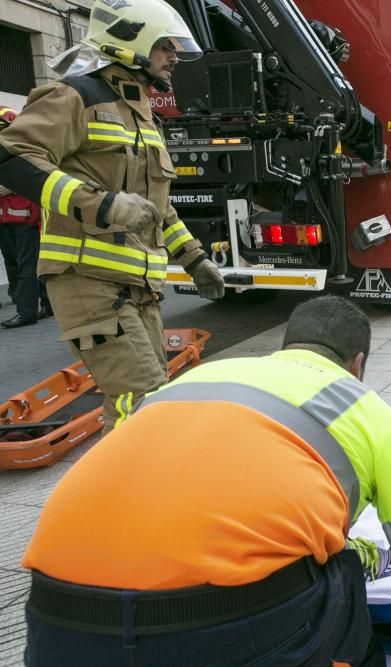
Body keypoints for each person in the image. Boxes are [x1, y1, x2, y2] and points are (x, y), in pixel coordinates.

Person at [20, 295, 391, 667]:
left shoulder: (186, 385)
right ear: (357, 363)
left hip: (57, 623)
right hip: (216, 634)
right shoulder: (366, 413)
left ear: (285, 347)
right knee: (339, 574)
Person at [0, 0, 225, 432]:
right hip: (88, 281)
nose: (174, 56)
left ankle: (131, 487)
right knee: (138, 401)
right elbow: (11, 157)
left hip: (137, 288)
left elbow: (155, 207)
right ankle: (127, 491)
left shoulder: (142, 116)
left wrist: (195, 260)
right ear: (130, 42)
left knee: (151, 395)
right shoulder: (76, 96)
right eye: (164, 45)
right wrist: (99, 204)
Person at [0, 107, 46, 329]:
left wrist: (8, 186)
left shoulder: (24, 149)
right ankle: (44, 305)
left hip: (26, 218)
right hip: (6, 218)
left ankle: (26, 312)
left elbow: (32, 177)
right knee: (15, 263)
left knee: (26, 266)